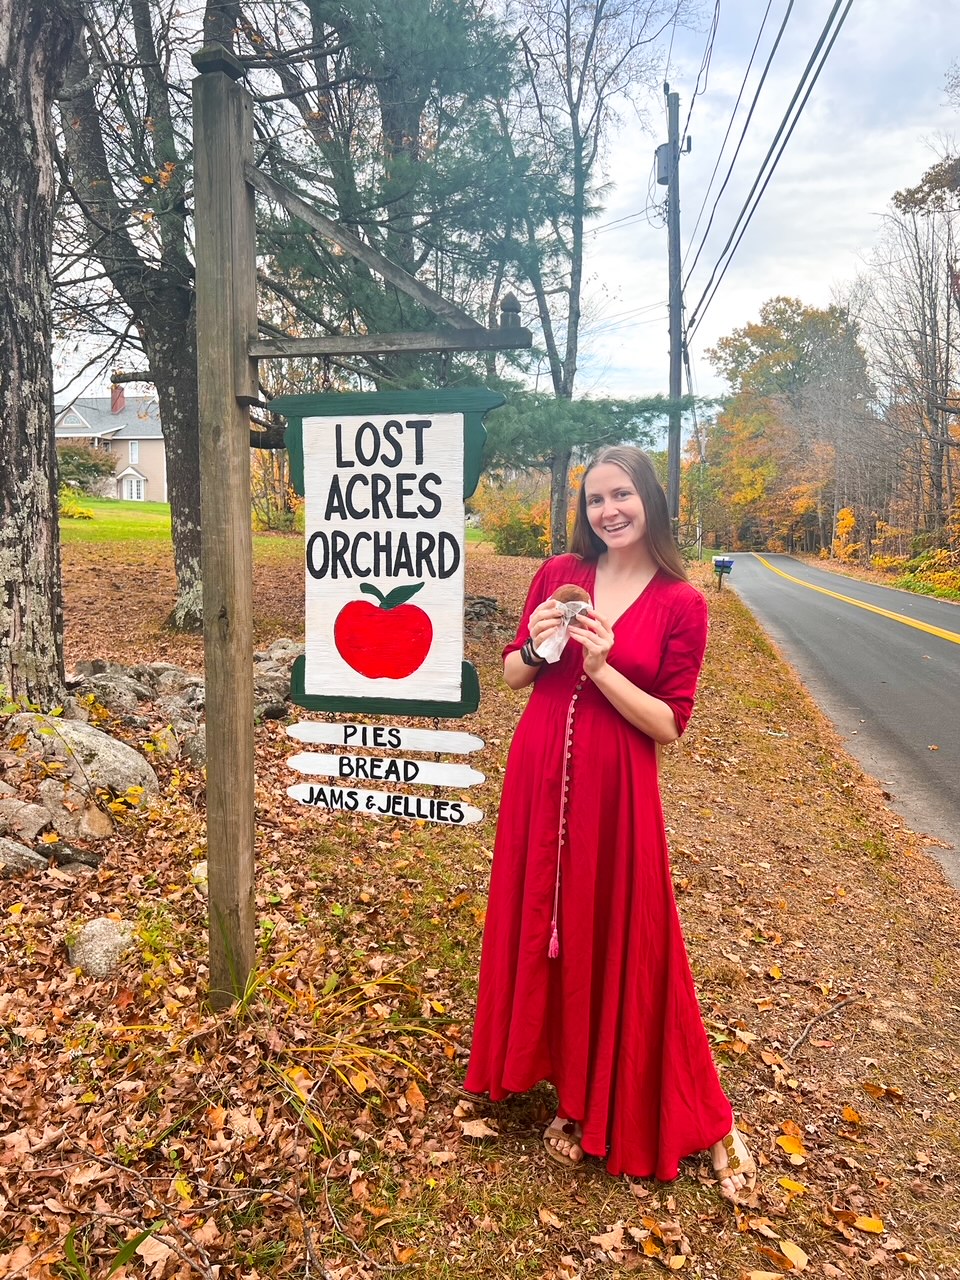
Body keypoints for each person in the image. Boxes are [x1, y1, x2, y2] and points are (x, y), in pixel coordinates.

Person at [463, 445, 756, 1200]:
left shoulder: (682, 603)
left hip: (615, 789)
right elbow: (512, 673)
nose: (608, 511)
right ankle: (561, 1083)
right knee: (542, 922)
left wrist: (601, 668)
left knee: (617, 932)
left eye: (621, 495)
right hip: (537, 776)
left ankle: (614, 1099)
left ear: (650, 501)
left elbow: (669, 724)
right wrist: (541, 643)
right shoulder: (561, 576)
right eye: (595, 500)